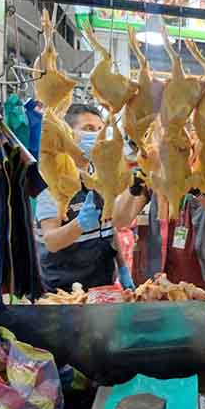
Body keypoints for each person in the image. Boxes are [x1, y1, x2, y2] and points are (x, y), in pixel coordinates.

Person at [112, 134, 205, 297]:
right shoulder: (155, 175)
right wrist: (139, 179)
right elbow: (121, 220)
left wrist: (197, 187)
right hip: (165, 283)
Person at [36, 104, 134, 292]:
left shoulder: (102, 174)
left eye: (100, 129)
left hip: (102, 284)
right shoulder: (51, 178)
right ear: (68, 135)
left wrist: (122, 267)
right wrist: (78, 224)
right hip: (64, 290)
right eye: (88, 129)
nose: (97, 135)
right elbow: (51, 241)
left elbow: (109, 227)